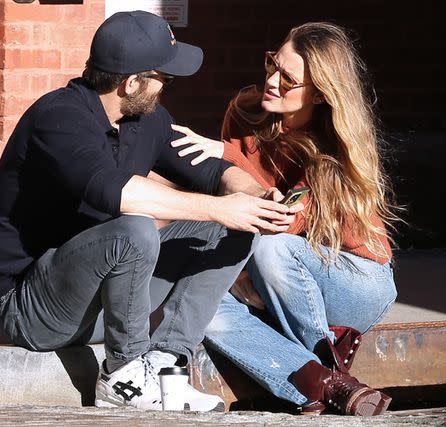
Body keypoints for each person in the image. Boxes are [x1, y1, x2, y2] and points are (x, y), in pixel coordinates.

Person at [0, 10, 301, 413]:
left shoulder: (145, 118)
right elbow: (117, 194)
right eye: (164, 79)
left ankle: (166, 361)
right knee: (135, 230)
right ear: (132, 82)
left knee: (230, 229)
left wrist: (254, 196)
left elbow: (213, 172)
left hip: (101, 303)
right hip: (33, 309)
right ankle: (122, 373)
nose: (168, 88)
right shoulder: (58, 119)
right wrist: (221, 208)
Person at [170, 22, 399, 416]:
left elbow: (283, 222)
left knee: (271, 248)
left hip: (353, 278)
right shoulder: (244, 112)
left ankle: (323, 369)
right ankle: (325, 385)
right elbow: (227, 201)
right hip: (275, 280)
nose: (272, 81)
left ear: (321, 93)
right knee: (200, 305)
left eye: (288, 79)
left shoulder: (334, 145)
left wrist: (225, 156)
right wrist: (236, 272)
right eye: (272, 64)